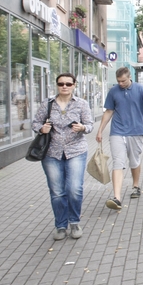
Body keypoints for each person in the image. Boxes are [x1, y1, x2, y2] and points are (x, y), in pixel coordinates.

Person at [32, 73, 93, 241]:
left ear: (74, 85)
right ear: (57, 85)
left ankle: (74, 222)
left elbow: (90, 125)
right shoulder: (48, 104)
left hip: (76, 151)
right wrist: (41, 128)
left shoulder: (81, 104)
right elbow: (35, 123)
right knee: (57, 192)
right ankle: (60, 225)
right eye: (61, 84)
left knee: (74, 189)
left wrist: (82, 128)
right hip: (51, 152)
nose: (64, 86)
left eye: (68, 84)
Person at [96, 67, 143, 210]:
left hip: (135, 131)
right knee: (118, 162)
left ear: (129, 77)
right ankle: (117, 198)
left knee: (134, 161)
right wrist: (100, 130)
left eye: (123, 81)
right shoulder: (113, 91)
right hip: (117, 131)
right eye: (118, 81)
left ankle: (135, 186)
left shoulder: (140, 89)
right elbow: (109, 111)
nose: (121, 84)